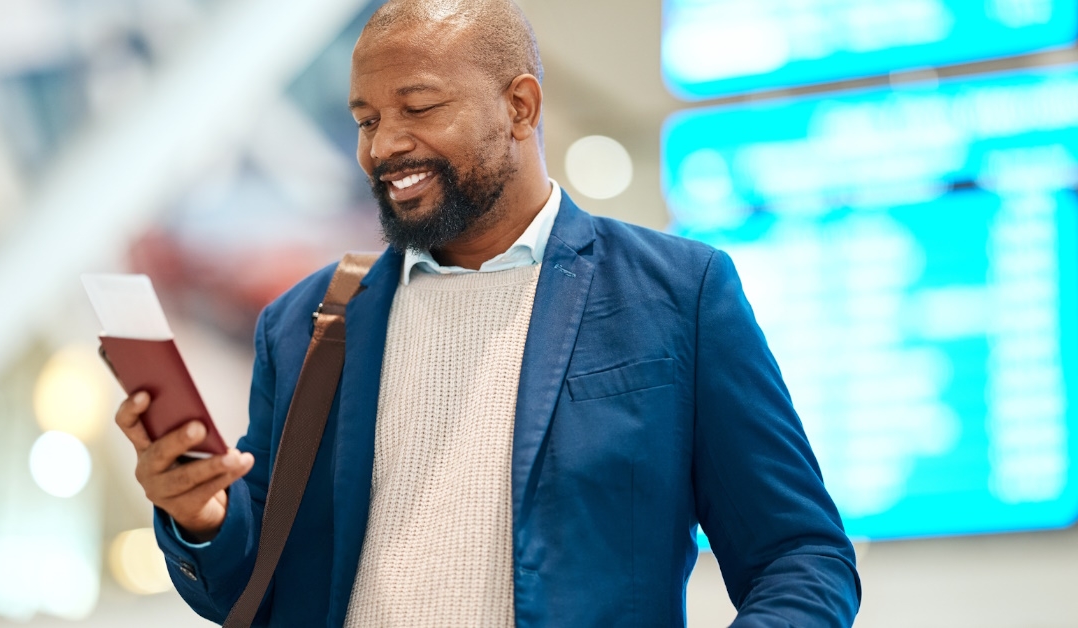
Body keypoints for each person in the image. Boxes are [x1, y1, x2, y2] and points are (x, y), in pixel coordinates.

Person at [113, 0, 862, 625]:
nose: (384, 146)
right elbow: (257, 584)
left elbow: (801, 556)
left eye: (419, 107)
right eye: (367, 119)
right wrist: (202, 518)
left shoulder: (676, 295)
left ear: (520, 105)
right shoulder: (307, 323)